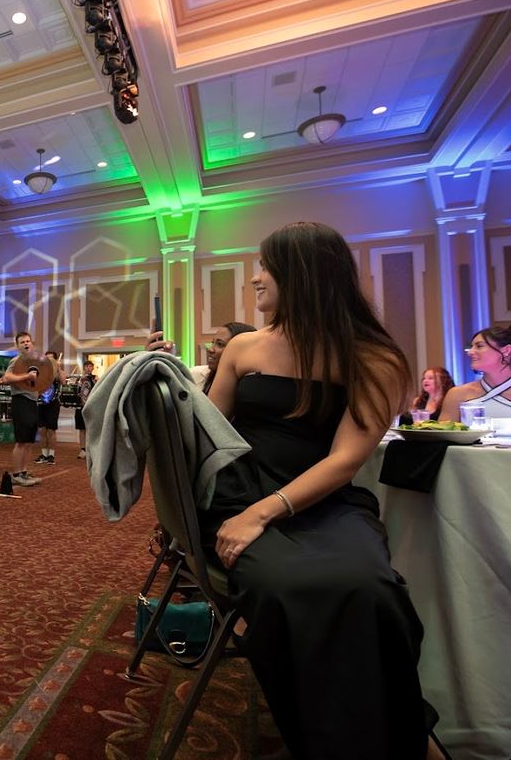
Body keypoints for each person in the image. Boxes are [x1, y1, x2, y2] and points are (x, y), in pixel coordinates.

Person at [154, 221, 440, 759]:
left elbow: (346, 460)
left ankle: (401, 736)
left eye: (267, 268)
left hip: (323, 500)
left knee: (373, 589)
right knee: (290, 590)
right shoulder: (243, 347)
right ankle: (331, 741)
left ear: (304, 277)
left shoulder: (373, 358)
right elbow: (209, 434)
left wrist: (266, 513)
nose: (256, 279)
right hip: (238, 494)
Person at [441, 322, 511, 422]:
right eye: (471, 346)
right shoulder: (456, 394)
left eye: (479, 346)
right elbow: (443, 437)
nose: (470, 352)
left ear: (506, 350)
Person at [1, 332, 43, 487]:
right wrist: (26, 377)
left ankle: (24, 471)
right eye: (22, 342)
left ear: (32, 343)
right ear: (18, 345)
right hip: (20, 401)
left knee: (29, 441)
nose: (26, 344)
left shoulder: (35, 362)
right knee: (21, 440)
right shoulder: (16, 360)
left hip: (33, 402)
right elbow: (7, 378)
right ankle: (17, 473)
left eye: (28, 341)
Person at [202, 322, 256, 394]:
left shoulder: (252, 390)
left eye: (220, 344)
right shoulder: (198, 377)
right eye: (213, 343)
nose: (210, 349)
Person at [34, 350, 65, 465]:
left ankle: (51, 456)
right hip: (41, 402)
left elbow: (63, 381)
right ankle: (43, 454)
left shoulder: (57, 372)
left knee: (51, 430)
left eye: (51, 359)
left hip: (53, 403)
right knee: (42, 430)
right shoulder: (40, 372)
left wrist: (59, 368)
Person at [75, 360, 97, 459]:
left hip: (91, 407)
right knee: (81, 428)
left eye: (90, 366)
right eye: (86, 366)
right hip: (80, 407)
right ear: (84, 368)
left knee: (90, 428)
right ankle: (82, 449)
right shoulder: (80, 379)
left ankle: (91, 449)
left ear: (93, 368)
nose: (88, 368)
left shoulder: (96, 379)